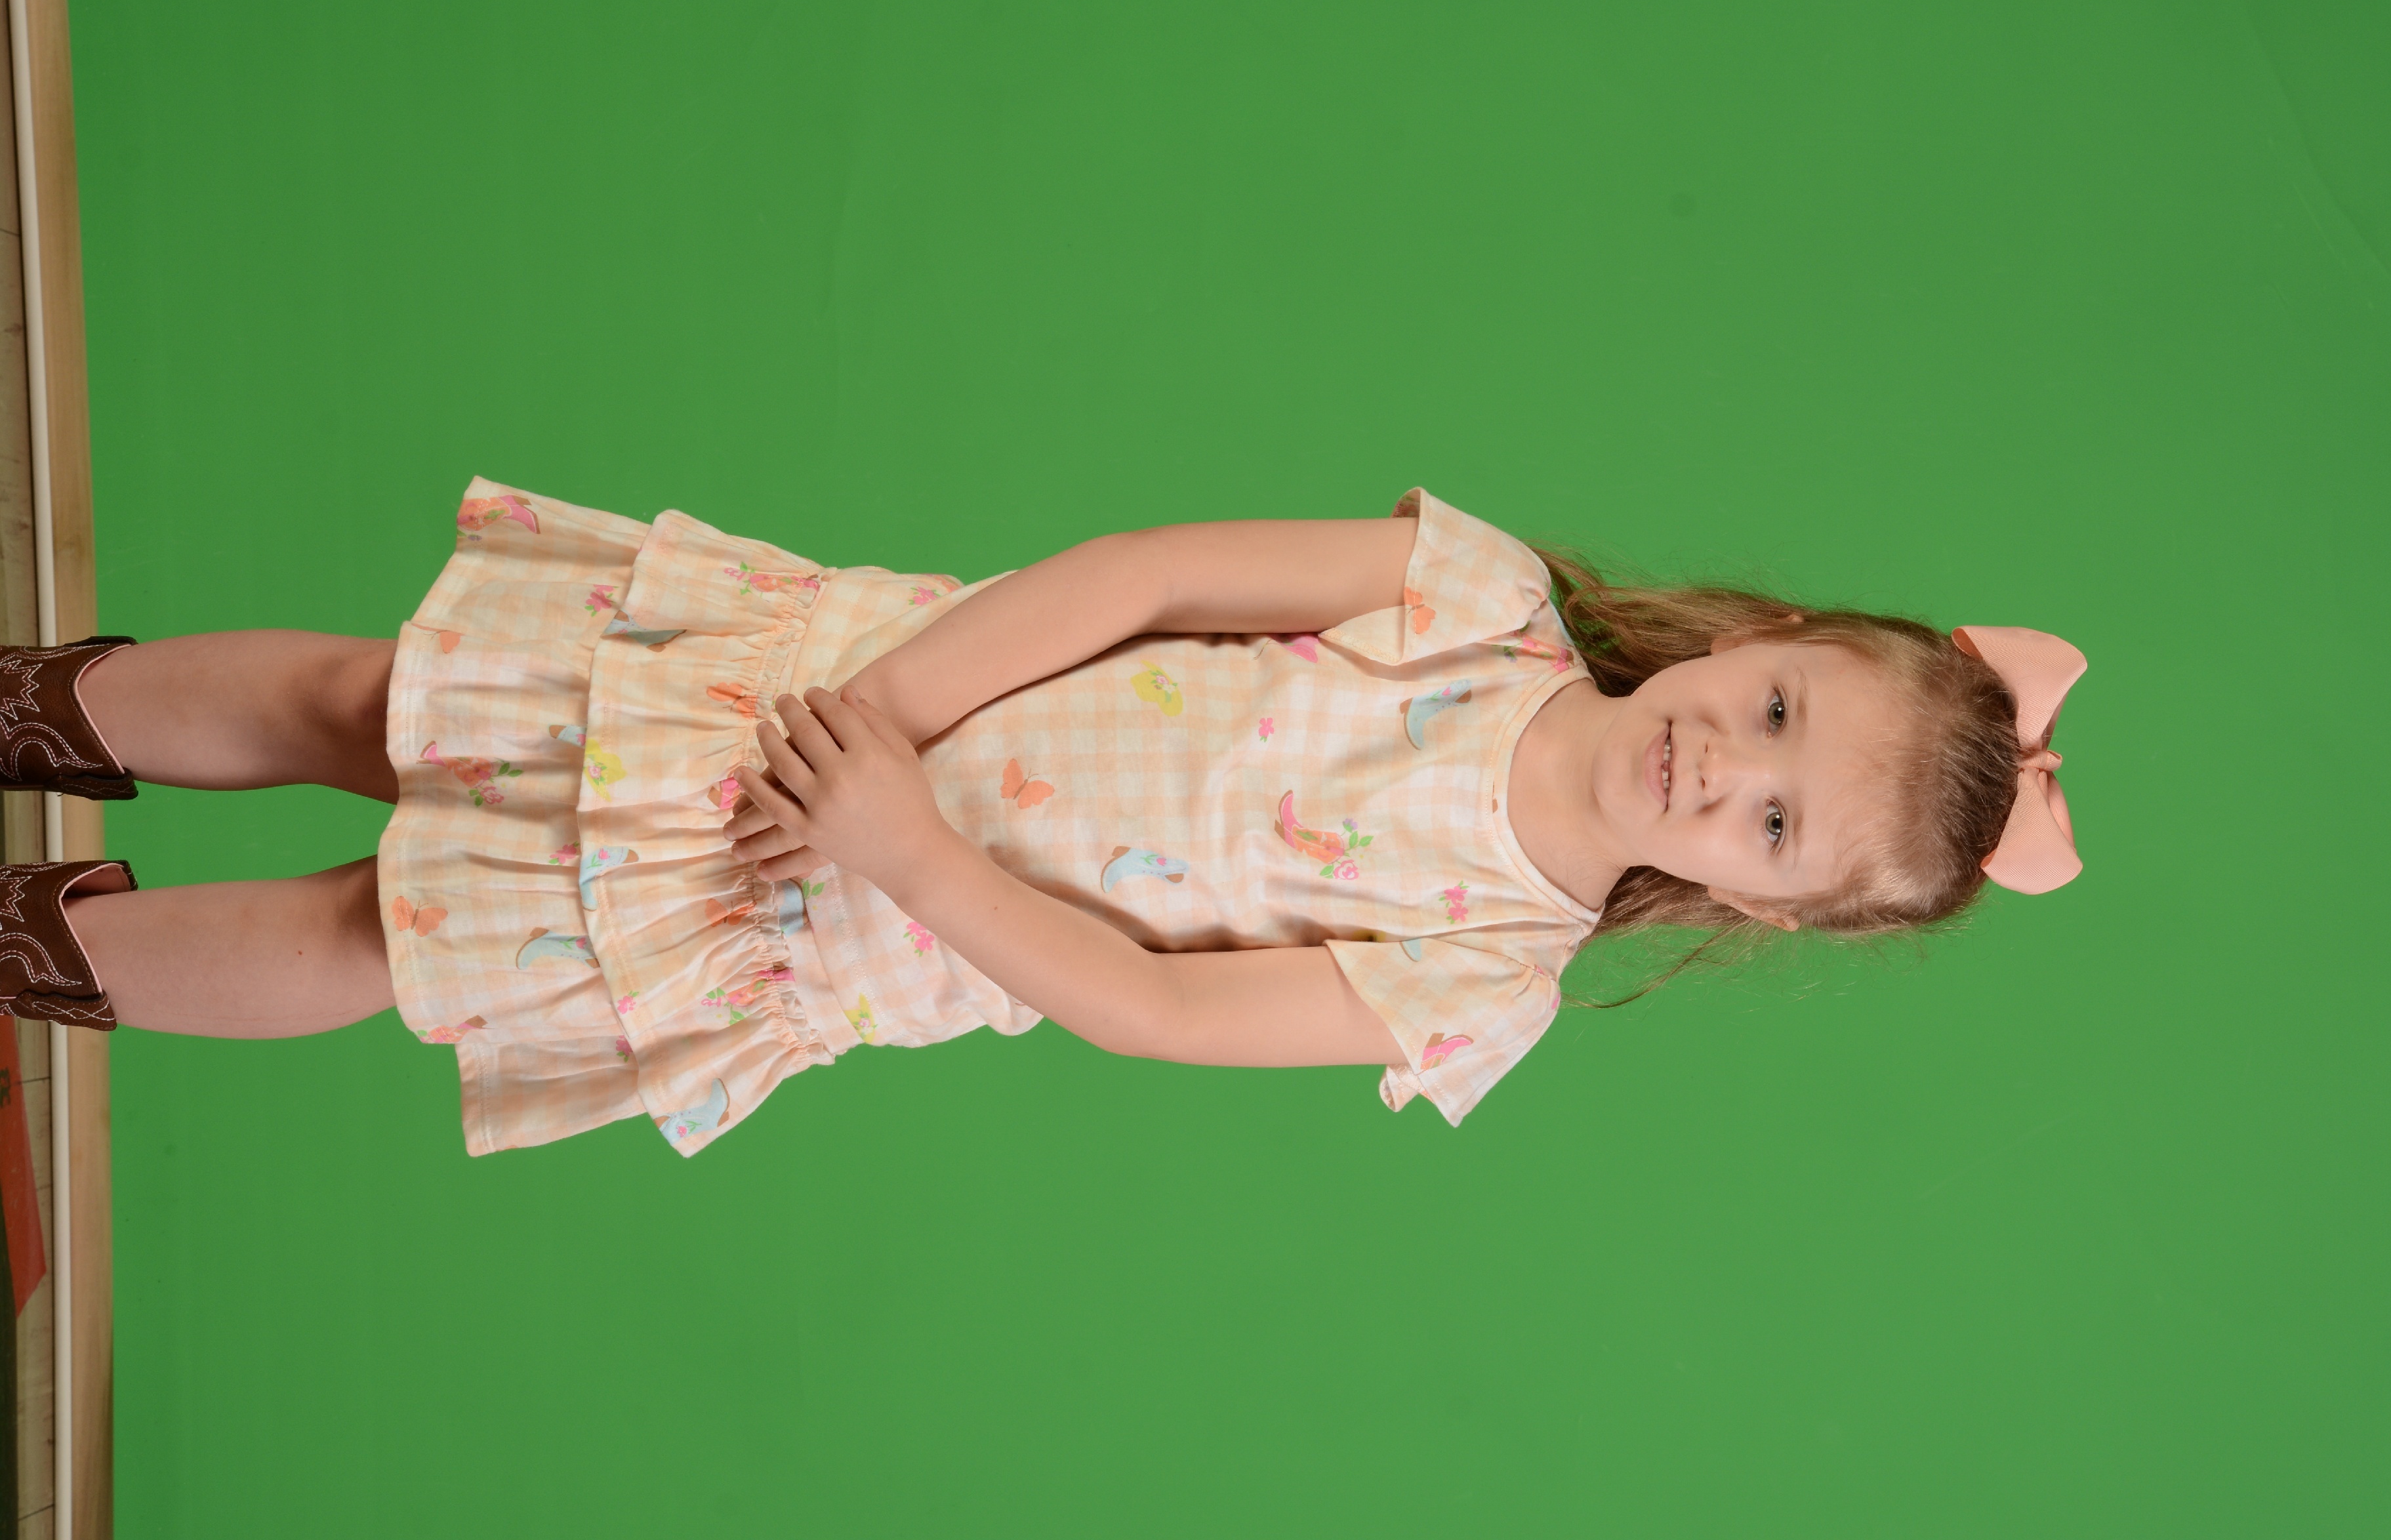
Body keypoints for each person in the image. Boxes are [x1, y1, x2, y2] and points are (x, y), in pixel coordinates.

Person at [0, 479, 2087, 1156]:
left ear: (1762, 907)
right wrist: (880, 722)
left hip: (832, 899)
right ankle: (33, 707)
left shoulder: (1484, 976)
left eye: (1775, 826)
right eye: (1776, 712)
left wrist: (898, 846)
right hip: (828, 694)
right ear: (1765, 636)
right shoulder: (1473, 599)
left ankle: (39, 947)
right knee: (372, 701)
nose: (1725, 767)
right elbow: (1145, 576)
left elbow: (1161, 1012)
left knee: (379, 931)